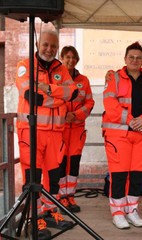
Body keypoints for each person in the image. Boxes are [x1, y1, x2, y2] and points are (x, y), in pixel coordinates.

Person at [15, 29, 78, 239]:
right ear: (38, 45)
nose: (49, 49)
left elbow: (73, 93)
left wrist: (48, 89)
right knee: (32, 179)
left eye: (53, 46)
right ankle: (35, 219)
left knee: (53, 179)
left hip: (55, 134)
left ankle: (51, 213)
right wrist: (58, 96)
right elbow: (30, 96)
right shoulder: (25, 66)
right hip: (31, 132)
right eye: (45, 45)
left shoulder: (62, 69)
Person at [102, 42, 142, 229]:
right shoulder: (115, 77)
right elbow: (109, 102)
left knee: (137, 176)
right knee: (119, 175)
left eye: (138, 58)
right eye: (131, 57)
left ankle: (132, 210)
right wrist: (130, 120)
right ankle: (118, 213)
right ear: (125, 59)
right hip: (119, 135)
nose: (135, 60)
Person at [58, 46, 95, 214]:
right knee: (60, 164)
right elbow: (51, 100)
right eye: (67, 57)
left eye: (74, 57)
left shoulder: (84, 80)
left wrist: (77, 114)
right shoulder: (56, 78)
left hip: (77, 130)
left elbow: (89, 103)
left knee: (73, 165)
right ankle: (60, 197)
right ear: (62, 58)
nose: (70, 60)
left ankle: (70, 196)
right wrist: (64, 114)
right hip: (60, 129)